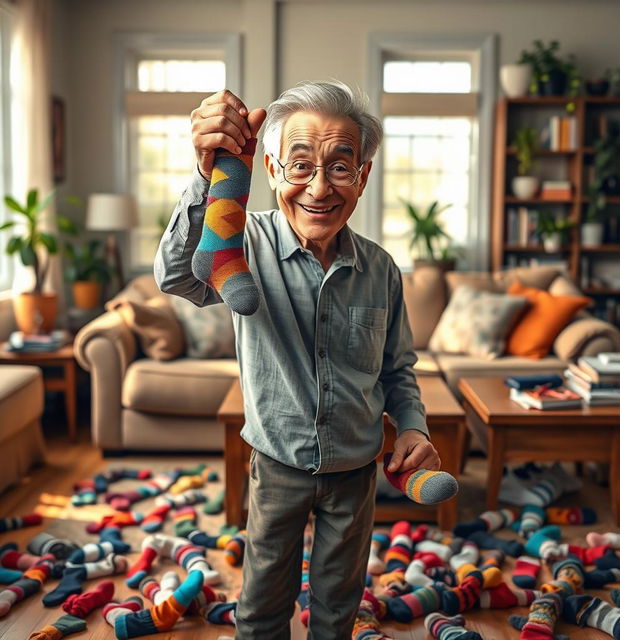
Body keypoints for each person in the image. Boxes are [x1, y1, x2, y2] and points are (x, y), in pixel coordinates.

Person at [154, 81, 442, 640]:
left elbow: (398, 369)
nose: (318, 187)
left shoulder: (381, 269)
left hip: (356, 470)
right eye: (300, 164)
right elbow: (176, 275)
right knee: (262, 606)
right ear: (270, 167)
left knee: (339, 605)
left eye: (340, 167)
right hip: (278, 465)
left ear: (363, 174)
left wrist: (413, 426)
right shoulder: (242, 243)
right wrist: (206, 177)